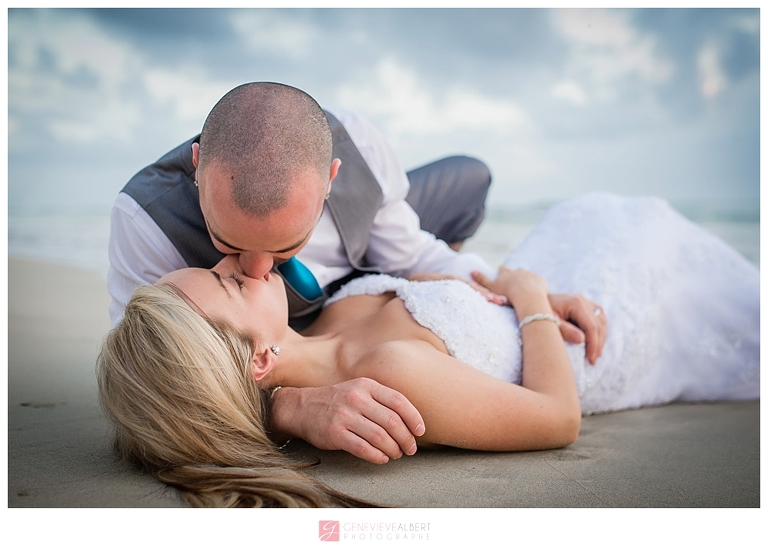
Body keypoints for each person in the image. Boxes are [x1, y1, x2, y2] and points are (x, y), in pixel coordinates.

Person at [97, 192, 759, 508]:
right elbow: (557, 417)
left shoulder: (320, 314)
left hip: (539, 291)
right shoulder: (387, 374)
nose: (238, 260)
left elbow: (436, 292)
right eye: (226, 282)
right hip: (595, 337)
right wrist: (529, 298)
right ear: (259, 361)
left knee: (603, 214)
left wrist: (503, 282)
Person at [107, 81, 608, 464]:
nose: (257, 266)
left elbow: (414, 256)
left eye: (287, 245)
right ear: (199, 169)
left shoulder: (359, 147)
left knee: (472, 176)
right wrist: (287, 409)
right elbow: (154, 383)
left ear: (330, 180)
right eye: (227, 249)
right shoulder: (146, 222)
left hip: (388, 311)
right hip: (355, 339)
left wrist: (509, 287)